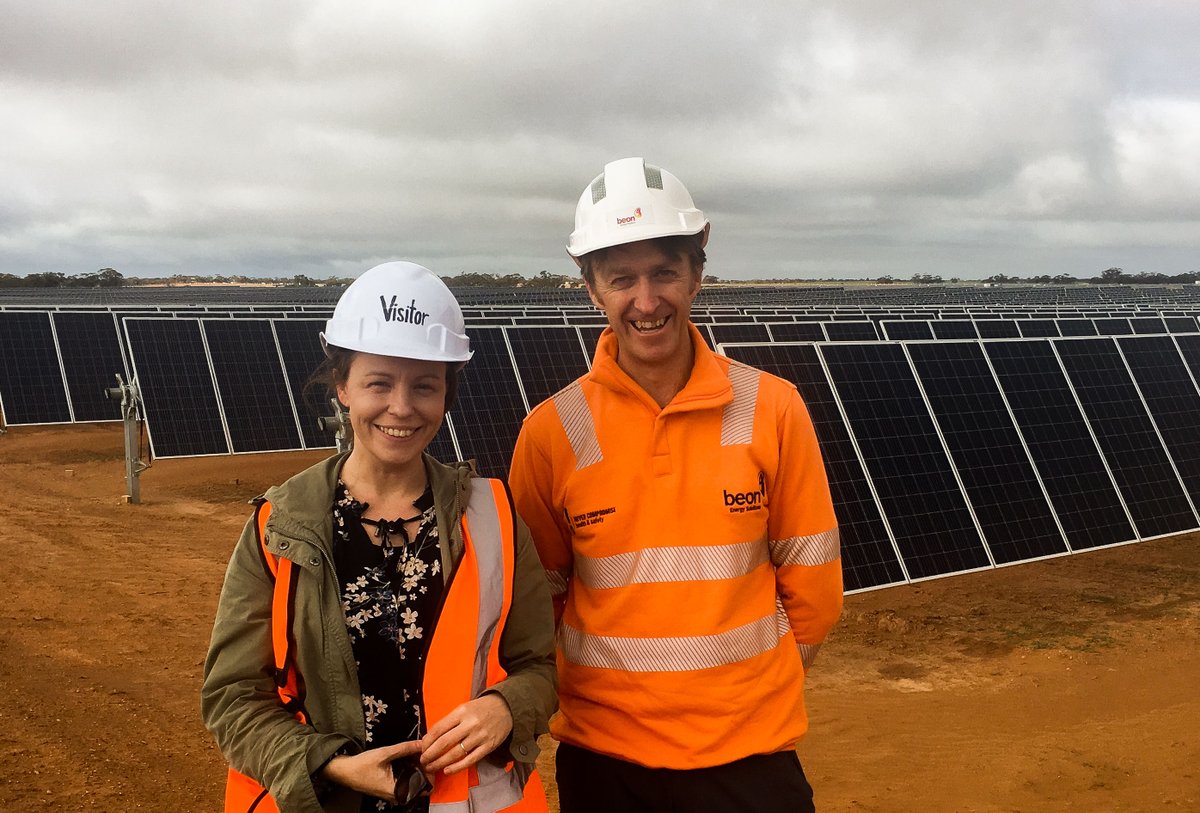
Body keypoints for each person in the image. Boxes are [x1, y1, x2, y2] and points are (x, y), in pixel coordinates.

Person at [508, 158, 843, 812]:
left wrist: (742, 698)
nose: (646, 298)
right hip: (606, 765)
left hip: (751, 758)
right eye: (622, 278)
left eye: (665, 271)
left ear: (697, 274)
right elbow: (536, 602)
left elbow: (814, 586)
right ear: (592, 290)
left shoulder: (773, 407)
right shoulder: (551, 432)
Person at [202, 261, 556, 813]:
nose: (401, 407)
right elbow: (233, 695)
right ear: (342, 386)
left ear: (446, 394)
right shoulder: (283, 525)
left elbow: (539, 665)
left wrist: (508, 706)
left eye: (424, 386)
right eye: (378, 383)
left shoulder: (494, 516)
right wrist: (329, 766)